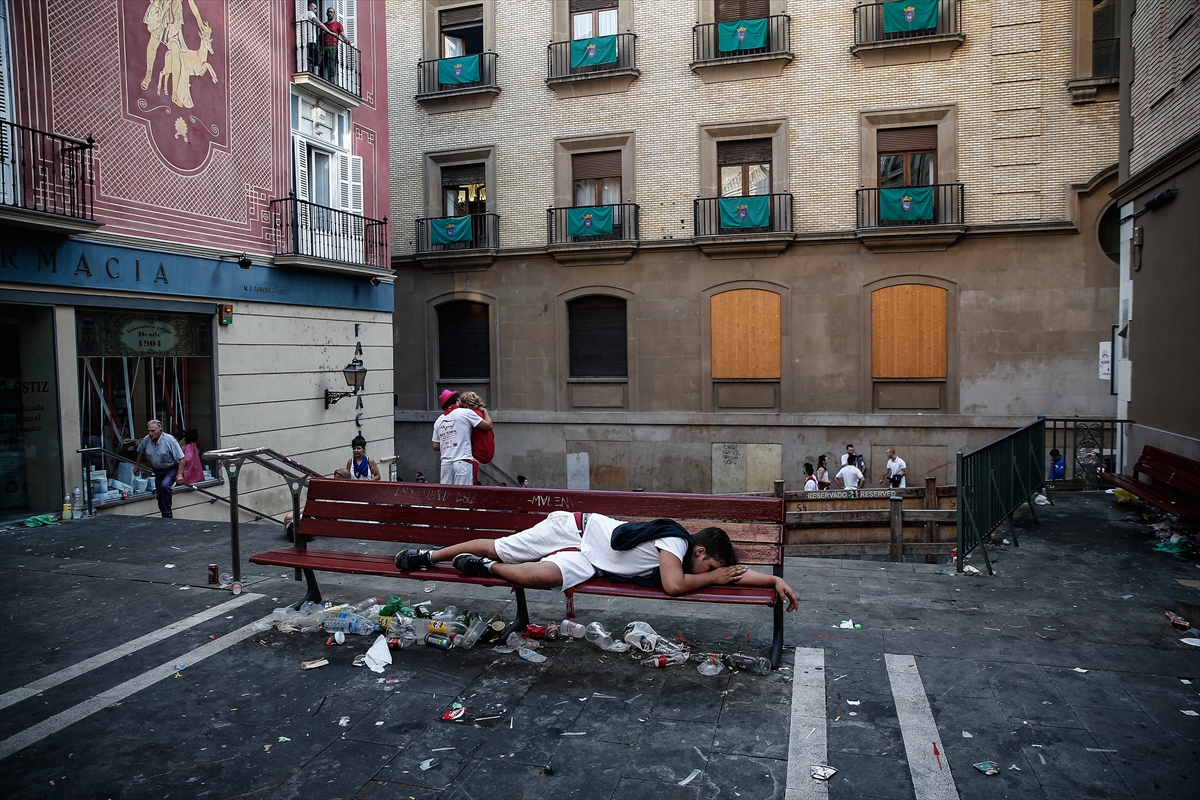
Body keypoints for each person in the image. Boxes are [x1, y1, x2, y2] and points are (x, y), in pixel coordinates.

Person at [395, 511, 798, 610]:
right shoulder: (676, 542)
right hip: (575, 530)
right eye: (709, 568)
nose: (712, 576)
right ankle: (429, 556)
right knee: (500, 546)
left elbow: (731, 574)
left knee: (545, 577)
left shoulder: (688, 555)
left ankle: (482, 569)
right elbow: (676, 587)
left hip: (592, 561)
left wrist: (772, 582)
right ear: (701, 552)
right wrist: (712, 580)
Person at [433, 389, 492, 485]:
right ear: (457, 399)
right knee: (462, 495)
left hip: (445, 464)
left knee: (447, 495)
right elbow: (488, 426)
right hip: (462, 461)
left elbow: (435, 446)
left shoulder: (438, 421)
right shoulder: (465, 413)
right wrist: (485, 411)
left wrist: (450, 442)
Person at [134, 419, 186, 518]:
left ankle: (167, 514)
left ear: (160, 431)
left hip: (170, 468)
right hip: (157, 470)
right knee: (159, 494)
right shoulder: (146, 439)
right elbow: (140, 451)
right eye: (149, 431)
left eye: (153, 431)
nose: (150, 433)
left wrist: (179, 474)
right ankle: (164, 513)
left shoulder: (169, 440)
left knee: (165, 486)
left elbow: (182, 458)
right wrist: (137, 466)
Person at [321, 6, 351, 84]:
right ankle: (320, 77)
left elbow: (342, 35)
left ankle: (332, 81)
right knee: (320, 62)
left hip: (332, 46)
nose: (330, 13)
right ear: (326, 13)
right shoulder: (324, 25)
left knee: (331, 63)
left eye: (331, 12)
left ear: (334, 14)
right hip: (324, 46)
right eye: (328, 12)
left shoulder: (337, 24)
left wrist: (346, 40)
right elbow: (320, 36)